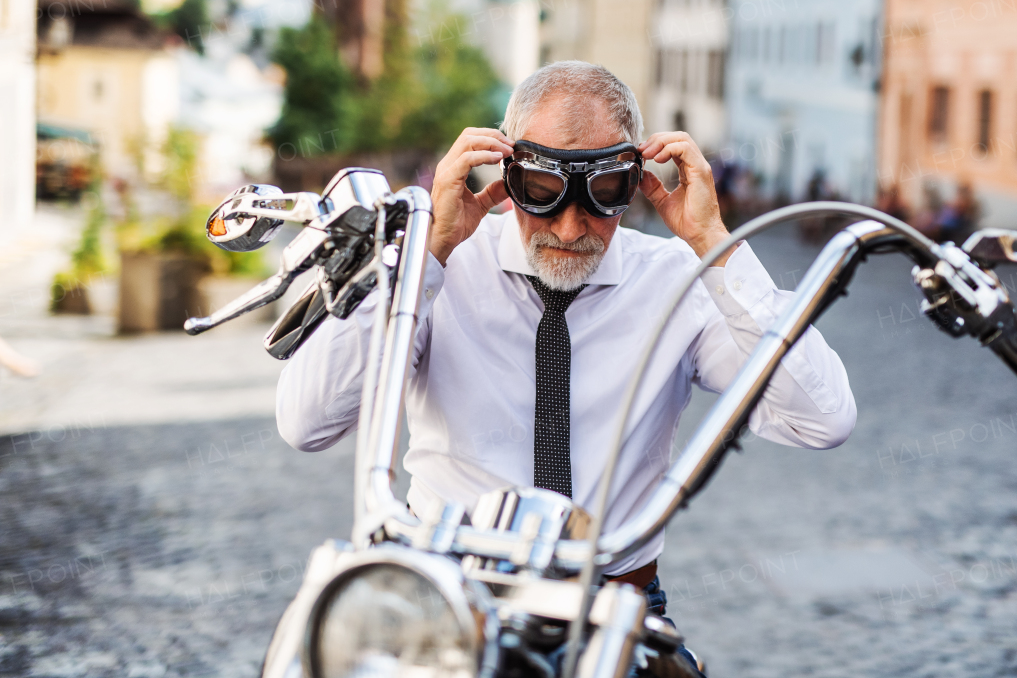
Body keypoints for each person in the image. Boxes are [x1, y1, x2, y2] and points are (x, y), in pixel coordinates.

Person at [276, 61, 855, 673]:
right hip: (447, 601)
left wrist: (714, 243)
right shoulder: (440, 269)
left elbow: (822, 419)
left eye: (603, 197)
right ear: (507, 173)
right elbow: (306, 422)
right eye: (542, 194)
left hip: (615, 604)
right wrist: (426, 256)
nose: (572, 226)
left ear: (633, 184)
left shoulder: (677, 282)